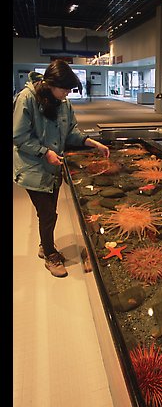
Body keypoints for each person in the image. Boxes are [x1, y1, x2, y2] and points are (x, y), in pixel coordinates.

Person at [13, 59, 110, 278]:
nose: (68, 93)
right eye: (65, 88)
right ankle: (49, 254)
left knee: (49, 213)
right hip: (33, 168)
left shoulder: (64, 103)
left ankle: (44, 244)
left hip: (53, 168)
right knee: (47, 214)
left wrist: (93, 142)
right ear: (50, 83)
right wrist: (44, 152)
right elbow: (19, 136)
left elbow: (71, 131)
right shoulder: (27, 98)